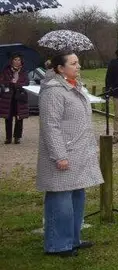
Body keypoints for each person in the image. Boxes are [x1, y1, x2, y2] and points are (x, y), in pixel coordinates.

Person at [36, 52, 104, 257]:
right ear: (59, 68)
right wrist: (59, 155)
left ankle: (73, 239)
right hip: (63, 153)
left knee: (77, 196)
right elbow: (50, 126)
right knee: (60, 199)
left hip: (78, 152)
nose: (78, 66)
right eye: (73, 63)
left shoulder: (74, 86)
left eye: (78, 62)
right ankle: (57, 245)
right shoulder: (53, 91)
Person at [1, 53, 30, 144]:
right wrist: (10, 82)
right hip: (8, 97)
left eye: (19, 60)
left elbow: (27, 82)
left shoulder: (23, 71)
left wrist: (17, 83)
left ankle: (17, 137)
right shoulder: (6, 70)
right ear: (11, 61)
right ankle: (8, 137)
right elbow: (2, 80)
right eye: (15, 60)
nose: (17, 62)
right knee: (8, 118)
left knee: (19, 118)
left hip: (19, 97)